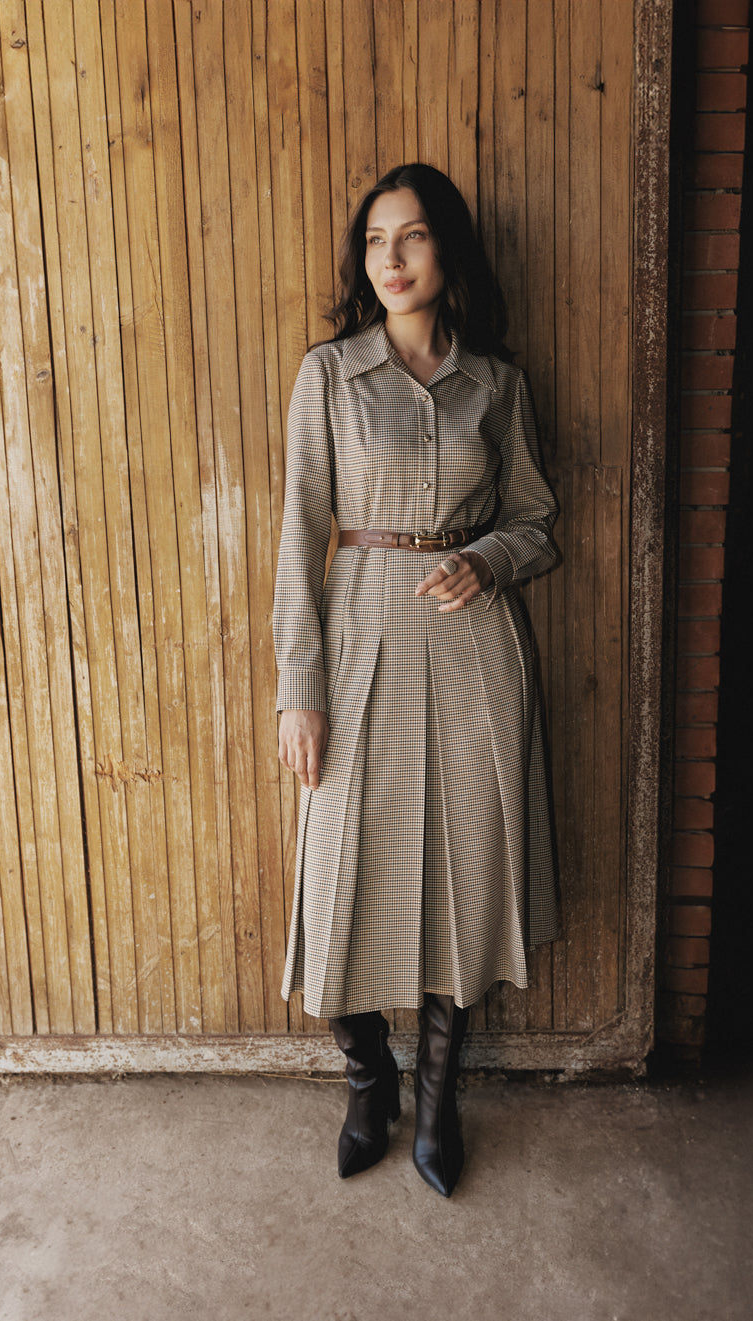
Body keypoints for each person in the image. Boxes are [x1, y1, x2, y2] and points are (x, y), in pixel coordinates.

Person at [273, 163, 560, 1197]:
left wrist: (489, 558)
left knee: (468, 870)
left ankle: (438, 1097)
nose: (389, 260)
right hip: (358, 639)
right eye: (374, 240)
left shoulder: (498, 384)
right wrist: (299, 685)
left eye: (412, 236)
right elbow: (302, 530)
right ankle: (369, 1077)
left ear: (448, 251)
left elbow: (538, 521)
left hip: (474, 646)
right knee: (339, 863)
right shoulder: (328, 375)